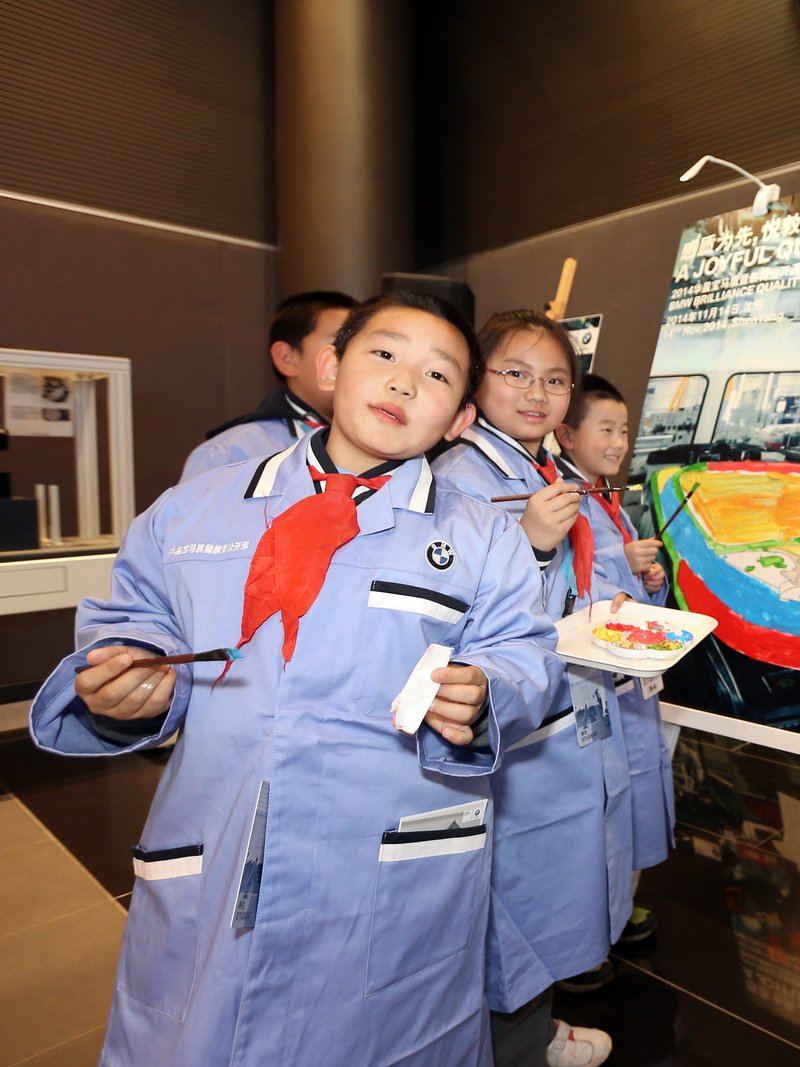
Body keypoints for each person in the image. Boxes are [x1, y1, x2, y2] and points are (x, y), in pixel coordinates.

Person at [30, 290, 564, 1065]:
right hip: (220, 832)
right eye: (385, 354)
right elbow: (138, 613)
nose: (404, 381)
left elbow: (524, 652)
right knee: (199, 1031)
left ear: (458, 419)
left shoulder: (483, 536)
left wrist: (487, 693)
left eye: (438, 375)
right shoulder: (195, 510)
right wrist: (130, 676)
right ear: (331, 367)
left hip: (389, 855)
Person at [432, 311, 626, 1067]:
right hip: (510, 731)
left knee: (543, 898)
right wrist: (533, 546)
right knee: (507, 910)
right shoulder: (460, 476)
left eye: (554, 379)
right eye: (515, 373)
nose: (537, 393)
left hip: (561, 710)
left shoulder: (537, 466)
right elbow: (452, 611)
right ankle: (512, 1047)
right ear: (476, 379)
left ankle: (532, 1033)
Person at [553, 374, 672, 947]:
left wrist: (648, 578)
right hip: (594, 676)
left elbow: (623, 584)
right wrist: (624, 564)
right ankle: (591, 934)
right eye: (605, 429)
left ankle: (617, 914)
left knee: (632, 794)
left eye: (624, 431)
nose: (619, 443)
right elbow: (570, 583)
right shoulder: (561, 500)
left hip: (628, 675)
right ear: (567, 434)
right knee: (599, 809)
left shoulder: (604, 496)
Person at [180, 290, 356, 482]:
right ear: (287, 358)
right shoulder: (228, 454)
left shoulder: (376, 444)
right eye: (341, 344)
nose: (356, 359)